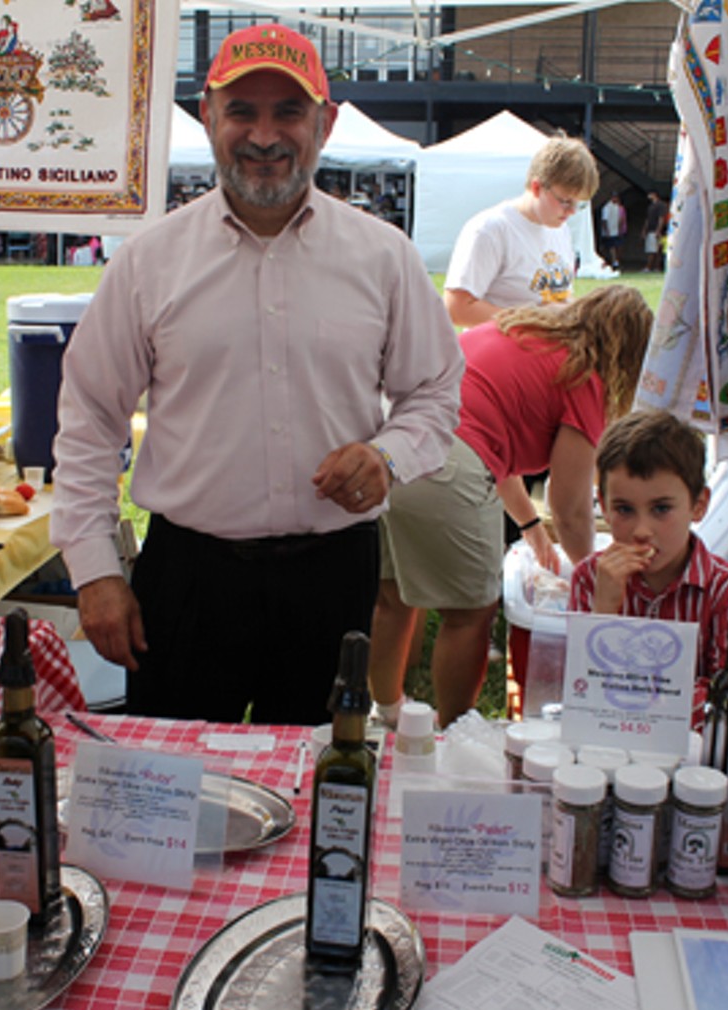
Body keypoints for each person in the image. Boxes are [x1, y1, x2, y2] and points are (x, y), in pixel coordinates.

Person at [51, 24, 463, 726]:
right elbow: (90, 415)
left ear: (325, 124)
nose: (264, 135)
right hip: (189, 576)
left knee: (320, 789)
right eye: (242, 111)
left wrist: (387, 456)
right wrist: (94, 568)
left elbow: (434, 392)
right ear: (208, 117)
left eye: (288, 112)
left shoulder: (383, 258)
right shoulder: (149, 262)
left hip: (332, 574)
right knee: (168, 797)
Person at [371, 286, 653, 728]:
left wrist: (529, 527)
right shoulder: (586, 377)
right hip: (445, 463)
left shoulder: (518, 331)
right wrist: (595, 576)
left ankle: (384, 714)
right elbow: (570, 507)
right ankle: (454, 734)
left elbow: (492, 440)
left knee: (393, 597)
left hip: (390, 447)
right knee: (469, 615)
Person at [568, 409, 728, 724]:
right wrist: (604, 611)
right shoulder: (591, 578)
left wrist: (637, 701)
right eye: (624, 509)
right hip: (607, 745)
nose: (642, 530)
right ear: (603, 507)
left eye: (661, 509)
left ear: (698, 506)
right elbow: (578, 688)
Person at [443, 136, 600, 329]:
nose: (571, 212)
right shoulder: (490, 229)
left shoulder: (560, 229)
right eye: (565, 201)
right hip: (500, 355)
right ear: (537, 187)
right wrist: (535, 319)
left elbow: (556, 297)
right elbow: (456, 309)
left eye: (579, 204)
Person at [599, 194, 627, 270]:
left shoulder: (617, 207)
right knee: (610, 247)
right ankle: (610, 261)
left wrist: (619, 229)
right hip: (609, 232)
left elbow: (620, 220)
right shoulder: (607, 208)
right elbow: (604, 220)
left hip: (615, 231)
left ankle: (615, 261)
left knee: (615, 247)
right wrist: (606, 231)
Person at [644, 191, 667, 272]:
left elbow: (661, 218)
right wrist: (645, 230)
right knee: (652, 249)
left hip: (655, 230)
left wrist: (658, 230)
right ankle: (652, 267)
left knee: (656, 250)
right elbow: (647, 219)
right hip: (650, 230)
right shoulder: (650, 206)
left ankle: (652, 267)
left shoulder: (661, 205)